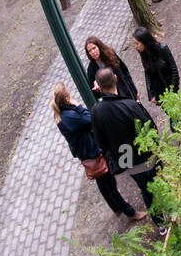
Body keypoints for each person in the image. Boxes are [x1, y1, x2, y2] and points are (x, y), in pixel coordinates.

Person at [52, 83, 147, 221]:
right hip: (91, 153)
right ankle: (129, 212)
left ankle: (116, 207)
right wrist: (79, 106)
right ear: (66, 98)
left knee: (104, 182)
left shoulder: (63, 112)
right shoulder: (69, 116)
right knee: (107, 182)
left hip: (88, 151)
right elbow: (90, 119)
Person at [90, 68, 162, 216]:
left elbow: (101, 143)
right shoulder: (130, 105)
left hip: (125, 158)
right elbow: (149, 129)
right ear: (115, 79)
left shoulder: (96, 111)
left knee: (144, 189)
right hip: (145, 155)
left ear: (98, 86)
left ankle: (159, 221)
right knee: (159, 183)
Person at [132, 26, 180, 107]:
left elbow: (174, 69)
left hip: (171, 88)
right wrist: (150, 93)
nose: (135, 46)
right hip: (160, 94)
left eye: (137, 43)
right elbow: (147, 72)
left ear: (144, 42)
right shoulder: (143, 53)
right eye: (134, 43)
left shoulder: (163, 49)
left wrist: (173, 91)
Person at [85, 35, 139, 100]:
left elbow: (125, 71)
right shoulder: (91, 70)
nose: (93, 52)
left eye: (94, 48)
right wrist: (98, 89)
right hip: (114, 99)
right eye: (90, 51)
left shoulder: (110, 54)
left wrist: (135, 91)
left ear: (99, 46)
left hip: (126, 90)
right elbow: (95, 94)